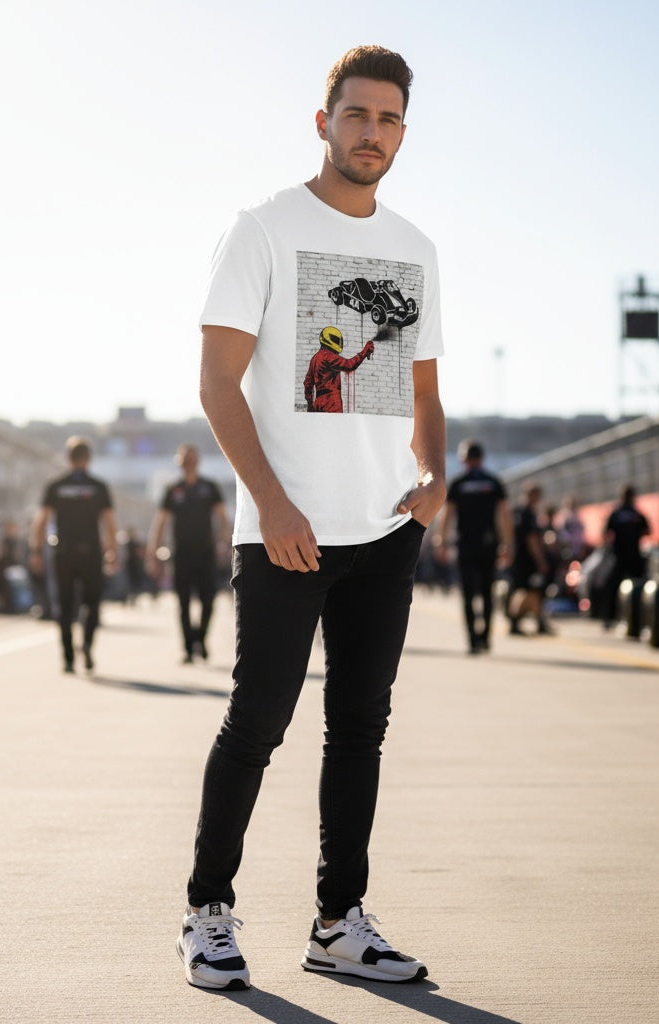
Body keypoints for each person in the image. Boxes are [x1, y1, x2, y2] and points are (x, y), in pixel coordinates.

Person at [177, 45, 445, 991]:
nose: (373, 132)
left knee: (359, 730)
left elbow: (423, 390)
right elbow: (217, 383)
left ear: (403, 133)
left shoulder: (415, 249)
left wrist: (434, 475)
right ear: (324, 121)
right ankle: (207, 911)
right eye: (357, 114)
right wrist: (272, 500)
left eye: (389, 118)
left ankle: (339, 924)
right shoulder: (262, 229)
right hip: (286, 532)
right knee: (257, 722)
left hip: (385, 531)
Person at [29, 437, 117, 673]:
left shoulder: (56, 485)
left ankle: (68, 657)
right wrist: (113, 552)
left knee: (64, 606)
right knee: (92, 602)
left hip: (63, 552)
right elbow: (109, 523)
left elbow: (41, 521)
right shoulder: (98, 486)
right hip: (91, 552)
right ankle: (87, 643)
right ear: (88, 458)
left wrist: (36, 550)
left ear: (68, 458)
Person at [147, 444, 229, 662]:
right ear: (179, 462)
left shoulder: (209, 488)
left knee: (208, 600)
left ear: (198, 461)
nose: (188, 463)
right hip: (181, 554)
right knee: (183, 602)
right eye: (184, 459)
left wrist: (224, 543)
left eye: (192, 459)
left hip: (206, 553)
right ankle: (188, 648)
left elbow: (223, 518)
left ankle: (201, 639)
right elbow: (161, 522)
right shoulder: (173, 489)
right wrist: (153, 552)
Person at [437, 439, 512, 653]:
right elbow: (504, 516)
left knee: (468, 593)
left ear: (463, 459)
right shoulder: (493, 482)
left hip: (465, 545)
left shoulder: (459, 483)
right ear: (482, 458)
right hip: (489, 545)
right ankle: (485, 638)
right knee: (487, 592)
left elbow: (447, 515)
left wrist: (441, 541)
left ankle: (472, 640)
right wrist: (507, 544)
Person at [601, 484, 650, 627]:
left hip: (620, 556)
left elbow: (606, 533)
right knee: (641, 586)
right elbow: (647, 531)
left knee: (611, 586)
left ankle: (609, 618)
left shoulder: (616, 513)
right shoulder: (637, 514)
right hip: (633, 556)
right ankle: (640, 619)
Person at [507, 483, 551, 636]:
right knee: (527, 590)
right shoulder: (528, 514)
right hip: (528, 559)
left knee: (532, 591)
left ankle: (539, 622)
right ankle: (514, 621)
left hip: (518, 557)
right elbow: (531, 539)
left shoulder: (516, 512)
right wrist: (540, 560)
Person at [303, 326, 375, 412]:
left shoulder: (315, 358)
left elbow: (308, 383)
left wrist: (310, 403)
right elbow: (349, 365)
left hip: (318, 402)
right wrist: (365, 351)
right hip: (331, 403)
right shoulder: (328, 356)